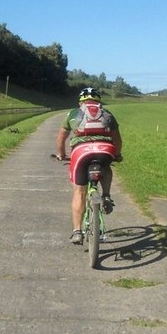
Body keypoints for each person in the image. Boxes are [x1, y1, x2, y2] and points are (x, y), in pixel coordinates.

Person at [55, 87, 123, 245]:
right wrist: (117, 155)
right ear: (99, 101)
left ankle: (77, 231)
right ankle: (106, 195)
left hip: (81, 152)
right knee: (106, 167)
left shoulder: (72, 114)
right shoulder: (108, 114)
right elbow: (117, 140)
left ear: (81, 102)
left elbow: (61, 139)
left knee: (79, 192)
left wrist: (61, 155)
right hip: (105, 150)